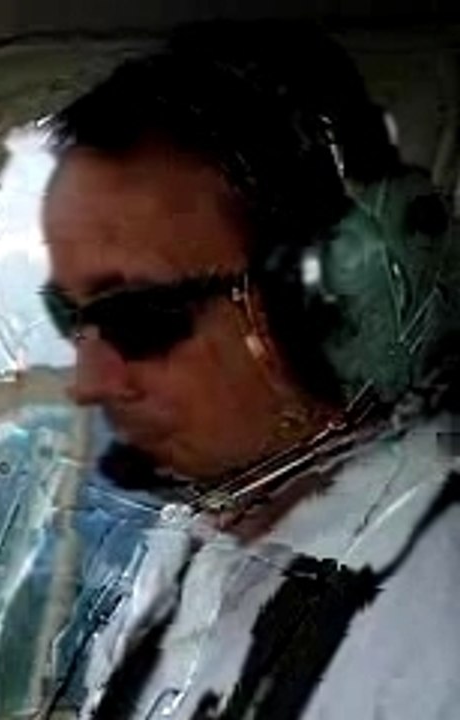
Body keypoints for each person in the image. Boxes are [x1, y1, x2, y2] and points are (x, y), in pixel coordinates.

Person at [40, 21, 460, 719]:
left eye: (140, 319)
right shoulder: (195, 546)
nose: (88, 382)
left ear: (330, 296)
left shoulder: (437, 629)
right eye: (70, 318)